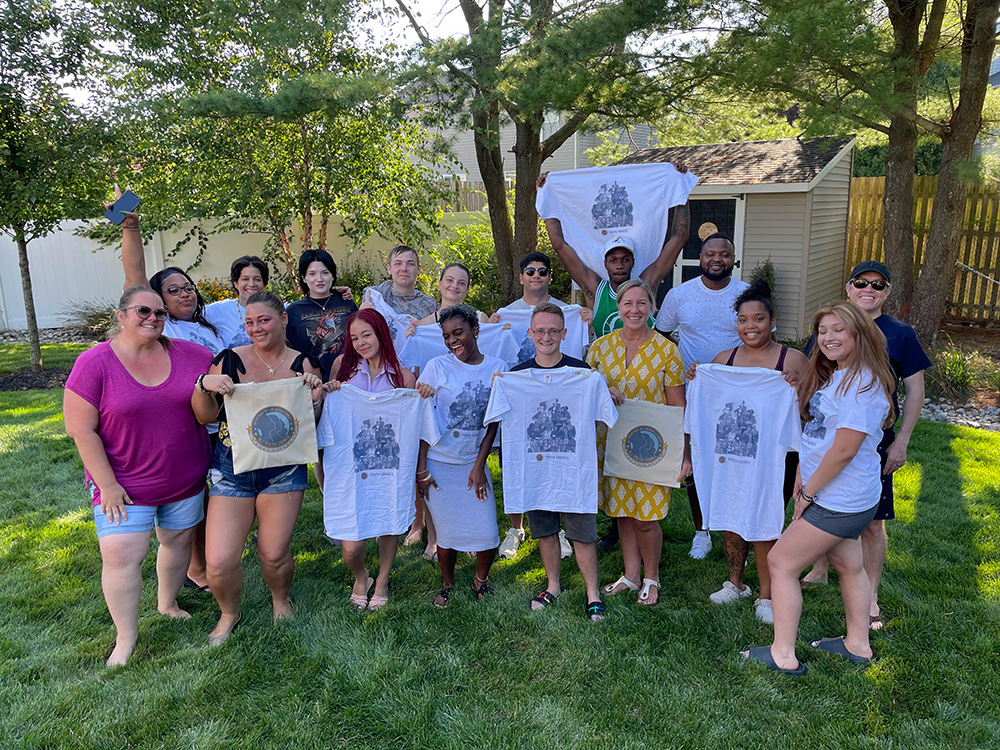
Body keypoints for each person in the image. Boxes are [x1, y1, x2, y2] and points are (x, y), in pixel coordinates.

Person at [64, 286, 214, 666]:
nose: (153, 319)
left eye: (160, 313)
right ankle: (125, 639)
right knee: (120, 557)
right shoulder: (93, 363)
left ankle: (167, 603)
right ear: (121, 315)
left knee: (177, 543)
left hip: (185, 477)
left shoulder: (195, 356)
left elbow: (215, 406)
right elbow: (81, 429)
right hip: (124, 487)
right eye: (143, 311)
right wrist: (107, 485)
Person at [742, 302, 895, 675]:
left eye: (838, 330)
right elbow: (824, 437)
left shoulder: (861, 386)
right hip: (847, 496)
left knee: (781, 562)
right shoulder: (844, 374)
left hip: (837, 499)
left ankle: (783, 655)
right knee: (848, 563)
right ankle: (857, 644)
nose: (828, 338)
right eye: (823, 331)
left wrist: (808, 492)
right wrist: (803, 476)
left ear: (859, 333)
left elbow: (844, 450)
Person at [800, 261, 931, 631]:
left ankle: (870, 594)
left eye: (878, 284)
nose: (868, 289)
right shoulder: (829, 330)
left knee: (872, 523)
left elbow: (915, 390)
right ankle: (821, 567)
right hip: (829, 433)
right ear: (849, 287)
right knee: (822, 507)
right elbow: (813, 373)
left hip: (873, 440)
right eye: (861, 282)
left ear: (887, 292)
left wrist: (901, 441)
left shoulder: (900, 334)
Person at [192, 291, 324, 646]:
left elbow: (309, 424)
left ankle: (281, 600)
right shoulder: (229, 360)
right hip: (231, 466)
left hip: (283, 466)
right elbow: (204, 415)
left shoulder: (304, 365)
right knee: (218, 562)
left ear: (283, 319)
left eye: (263, 320)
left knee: (273, 551)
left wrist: (317, 398)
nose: (255, 328)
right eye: (249, 322)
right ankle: (229, 613)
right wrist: (204, 385)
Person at [685, 280, 808, 624]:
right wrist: (698, 377)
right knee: (729, 515)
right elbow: (707, 406)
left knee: (766, 519)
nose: (750, 326)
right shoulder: (724, 360)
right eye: (743, 320)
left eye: (758, 319)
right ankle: (735, 581)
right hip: (730, 459)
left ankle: (767, 596)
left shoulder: (792, 359)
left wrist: (798, 390)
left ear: (772, 322)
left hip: (774, 460)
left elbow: (813, 412)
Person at [115, 203, 223, 592]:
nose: (184, 294)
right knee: (192, 499)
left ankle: (212, 558)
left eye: (188, 287)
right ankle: (196, 568)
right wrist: (131, 228)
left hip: (218, 423)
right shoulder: (162, 326)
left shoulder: (212, 324)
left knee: (214, 498)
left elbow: (254, 294)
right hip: (181, 425)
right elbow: (135, 278)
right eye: (173, 290)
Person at [588, 280, 690, 606]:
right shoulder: (600, 348)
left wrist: (683, 453)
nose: (634, 309)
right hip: (611, 442)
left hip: (651, 447)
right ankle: (631, 576)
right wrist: (601, 385)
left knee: (646, 518)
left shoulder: (667, 352)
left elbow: (678, 407)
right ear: (617, 308)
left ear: (651, 307)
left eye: (641, 303)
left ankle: (652, 576)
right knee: (622, 512)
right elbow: (584, 391)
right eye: (627, 303)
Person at [323, 309, 431, 610]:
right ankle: (362, 575)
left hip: (388, 469)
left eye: (366, 335)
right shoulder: (342, 367)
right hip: (350, 469)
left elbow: (415, 422)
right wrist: (329, 390)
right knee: (351, 546)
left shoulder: (403, 376)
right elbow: (328, 413)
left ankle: (382, 579)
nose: (360, 342)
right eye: (354, 337)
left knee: (388, 522)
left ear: (381, 333)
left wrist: (422, 394)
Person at [655, 233, 749, 559]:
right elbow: (662, 337)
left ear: (733, 259)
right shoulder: (679, 295)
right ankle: (701, 529)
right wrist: (676, 369)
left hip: (737, 392)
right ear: (701, 257)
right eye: (711, 253)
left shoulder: (746, 295)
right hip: (693, 389)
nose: (717, 259)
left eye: (724, 253)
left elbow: (762, 337)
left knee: (734, 459)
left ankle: (735, 526)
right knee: (695, 459)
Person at [508, 303, 605, 618]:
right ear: (530, 333)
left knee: (582, 532)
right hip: (536, 469)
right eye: (540, 331)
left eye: (553, 331)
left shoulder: (582, 373)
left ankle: (593, 593)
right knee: (545, 529)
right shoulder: (516, 376)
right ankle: (553, 585)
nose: (546, 336)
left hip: (573, 470)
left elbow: (603, 414)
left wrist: (603, 387)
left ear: (564, 334)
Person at [493, 252, 592, 559]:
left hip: (559, 396)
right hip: (519, 395)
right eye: (530, 271)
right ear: (521, 277)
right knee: (517, 458)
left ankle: (559, 530)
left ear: (550, 277)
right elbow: (492, 346)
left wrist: (586, 321)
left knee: (558, 458)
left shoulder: (569, 313)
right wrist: (491, 327)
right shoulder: (504, 313)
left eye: (542, 272)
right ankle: (516, 527)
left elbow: (585, 350)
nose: (536, 276)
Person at [416, 305, 507, 606]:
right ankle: (448, 584)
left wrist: (479, 465)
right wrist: (422, 470)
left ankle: (480, 580)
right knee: (446, 533)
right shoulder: (436, 367)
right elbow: (423, 422)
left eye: (458, 333)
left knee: (487, 532)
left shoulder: (497, 367)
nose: (452, 341)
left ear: (476, 331)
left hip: (472, 462)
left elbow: (493, 423)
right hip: (440, 463)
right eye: (446, 336)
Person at [538, 171, 691, 337]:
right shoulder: (596, 290)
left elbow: (679, 238)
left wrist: (681, 187)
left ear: (633, 262)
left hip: (644, 362)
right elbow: (560, 245)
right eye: (614, 260)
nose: (620, 265)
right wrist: (547, 193)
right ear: (605, 263)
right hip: (604, 362)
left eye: (625, 260)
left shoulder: (646, 284)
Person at [362, 244, 438, 319]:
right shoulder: (373, 298)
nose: (404, 268)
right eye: (398, 264)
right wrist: (363, 315)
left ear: (418, 269)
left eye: (410, 264)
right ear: (389, 269)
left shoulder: (431, 305)